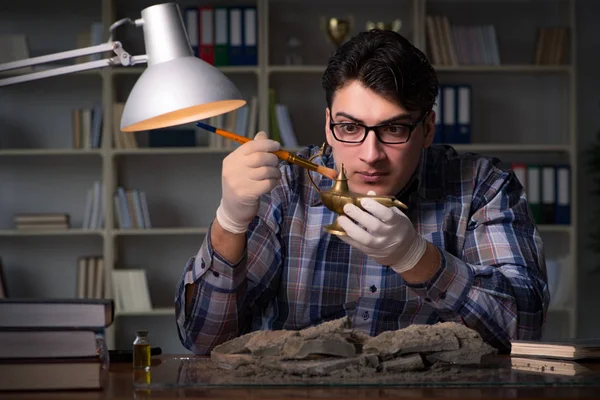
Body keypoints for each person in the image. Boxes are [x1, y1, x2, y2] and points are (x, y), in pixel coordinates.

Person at [175, 29, 550, 355]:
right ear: (328, 124)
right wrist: (229, 222)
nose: (371, 155)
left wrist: (416, 258)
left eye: (394, 129)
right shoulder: (286, 184)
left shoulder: (483, 184)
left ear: (428, 128)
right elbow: (204, 339)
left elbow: (524, 330)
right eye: (350, 128)